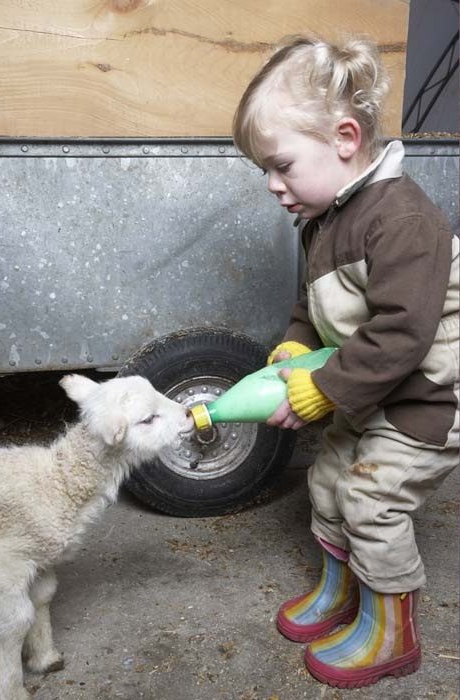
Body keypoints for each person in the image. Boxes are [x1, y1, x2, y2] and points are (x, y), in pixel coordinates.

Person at [232, 35, 459, 689]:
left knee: (368, 498)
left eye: (280, 166)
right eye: (264, 173)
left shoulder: (402, 223)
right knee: (329, 477)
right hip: (369, 388)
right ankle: (340, 593)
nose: (274, 187)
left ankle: (390, 632)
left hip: (427, 399)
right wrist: (298, 344)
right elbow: (316, 302)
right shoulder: (324, 216)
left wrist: (318, 389)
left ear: (344, 136)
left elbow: (400, 336)